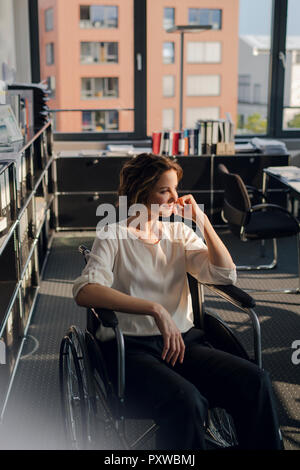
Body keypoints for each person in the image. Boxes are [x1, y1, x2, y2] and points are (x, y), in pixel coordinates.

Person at [73, 153, 282, 450]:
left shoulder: (179, 233)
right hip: (133, 351)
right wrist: (155, 309)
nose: (176, 197)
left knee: (255, 380)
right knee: (187, 401)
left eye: (175, 188)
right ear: (140, 191)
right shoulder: (113, 235)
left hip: (185, 345)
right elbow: (86, 290)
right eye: (164, 190)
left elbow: (225, 275)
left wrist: (203, 222)